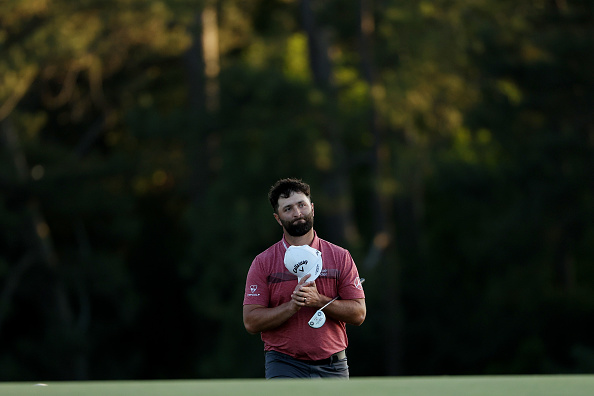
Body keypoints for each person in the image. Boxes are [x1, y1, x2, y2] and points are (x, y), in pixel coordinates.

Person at [243, 178, 366, 379]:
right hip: (283, 363)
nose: (297, 213)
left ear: (312, 209)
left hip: (333, 365)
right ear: (278, 217)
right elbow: (251, 322)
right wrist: (291, 307)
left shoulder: (340, 256)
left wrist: (319, 300)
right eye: (288, 208)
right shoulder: (263, 262)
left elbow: (359, 314)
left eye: (302, 205)